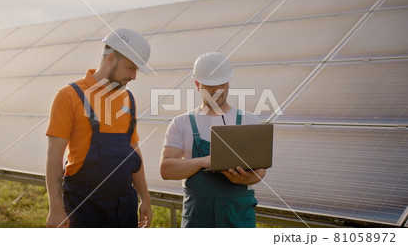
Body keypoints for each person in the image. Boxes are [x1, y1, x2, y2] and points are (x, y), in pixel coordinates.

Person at [46, 28, 153, 228]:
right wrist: (56, 208)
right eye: (131, 68)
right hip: (83, 207)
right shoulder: (69, 96)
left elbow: (133, 151)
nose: (134, 76)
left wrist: (144, 198)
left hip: (124, 206)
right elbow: (54, 157)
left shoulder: (128, 99)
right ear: (111, 59)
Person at [160, 52, 266, 228]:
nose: (216, 91)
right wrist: (204, 162)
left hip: (238, 219)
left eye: (221, 85)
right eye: (209, 86)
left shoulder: (249, 121)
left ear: (229, 82)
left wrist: (244, 178)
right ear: (197, 84)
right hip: (198, 220)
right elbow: (166, 170)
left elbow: (260, 171)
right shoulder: (182, 123)